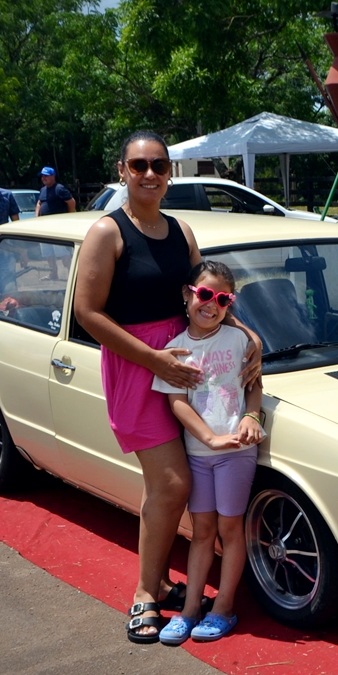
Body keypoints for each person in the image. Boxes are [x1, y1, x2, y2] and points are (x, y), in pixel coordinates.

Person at [71, 130, 262, 644]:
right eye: (139, 165)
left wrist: (248, 335)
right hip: (138, 367)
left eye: (159, 164)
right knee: (173, 483)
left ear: (170, 172)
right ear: (122, 171)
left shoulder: (181, 231)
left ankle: (159, 580)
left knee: (173, 483)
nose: (149, 174)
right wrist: (154, 359)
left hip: (193, 364)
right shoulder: (106, 233)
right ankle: (144, 592)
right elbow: (87, 313)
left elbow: (209, 294)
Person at [154, 260, 264, 645]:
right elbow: (178, 403)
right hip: (199, 454)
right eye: (204, 294)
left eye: (222, 299)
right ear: (188, 294)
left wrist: (251, 414)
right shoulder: (174, 351)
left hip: (236, 452)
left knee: (230, 529)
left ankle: (224, 607)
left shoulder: (240, 341)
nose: (211, 304)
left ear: (229, 303)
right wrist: (209, 439)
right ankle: (188, 611)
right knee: (201, 531)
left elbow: (253, 384)